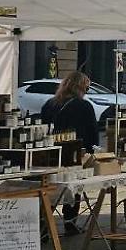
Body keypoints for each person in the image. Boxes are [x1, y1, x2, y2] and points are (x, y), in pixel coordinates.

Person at [40, 71, 100, 236]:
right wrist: (92, 151)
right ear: (80, 87)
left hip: (51, 152)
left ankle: (43, 224)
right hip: (74, 153)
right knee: (74, 187)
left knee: (51, 188)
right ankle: (70, 222)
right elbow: (92, 133)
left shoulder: (50, 103)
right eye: (86, 88)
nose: (87, 91)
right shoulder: (84, 106)